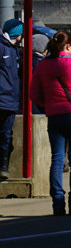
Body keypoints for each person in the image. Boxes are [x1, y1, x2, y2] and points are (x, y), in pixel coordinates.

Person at [30, 31, 71, 215]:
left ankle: (58, 205)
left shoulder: (42, 66)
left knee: (57, 159)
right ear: (68, 46)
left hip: (54, 117)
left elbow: (33, 94)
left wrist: (49, 104)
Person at [0, 19, 20, 180]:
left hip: (10, 100)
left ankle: (3, 167)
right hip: (4, 98)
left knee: (6, 134)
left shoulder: (14, 50)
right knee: (4, 135)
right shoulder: (3, 47)